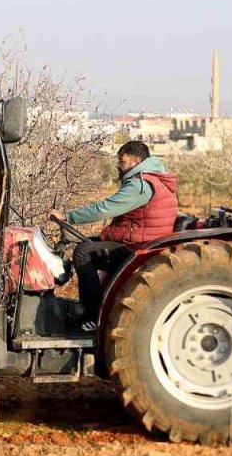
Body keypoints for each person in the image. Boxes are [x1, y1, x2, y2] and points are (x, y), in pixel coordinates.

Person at [48, 140, 178, 331]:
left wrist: (68, 216)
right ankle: (92, 306)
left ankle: (91, 315)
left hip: (139, 247)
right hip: (140, 240)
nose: (118, 166)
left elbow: (105, 208)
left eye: (122, 161)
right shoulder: (154, 179)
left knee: (84, 252)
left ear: (136, 161)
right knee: (89, 244)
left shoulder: (140, 184)